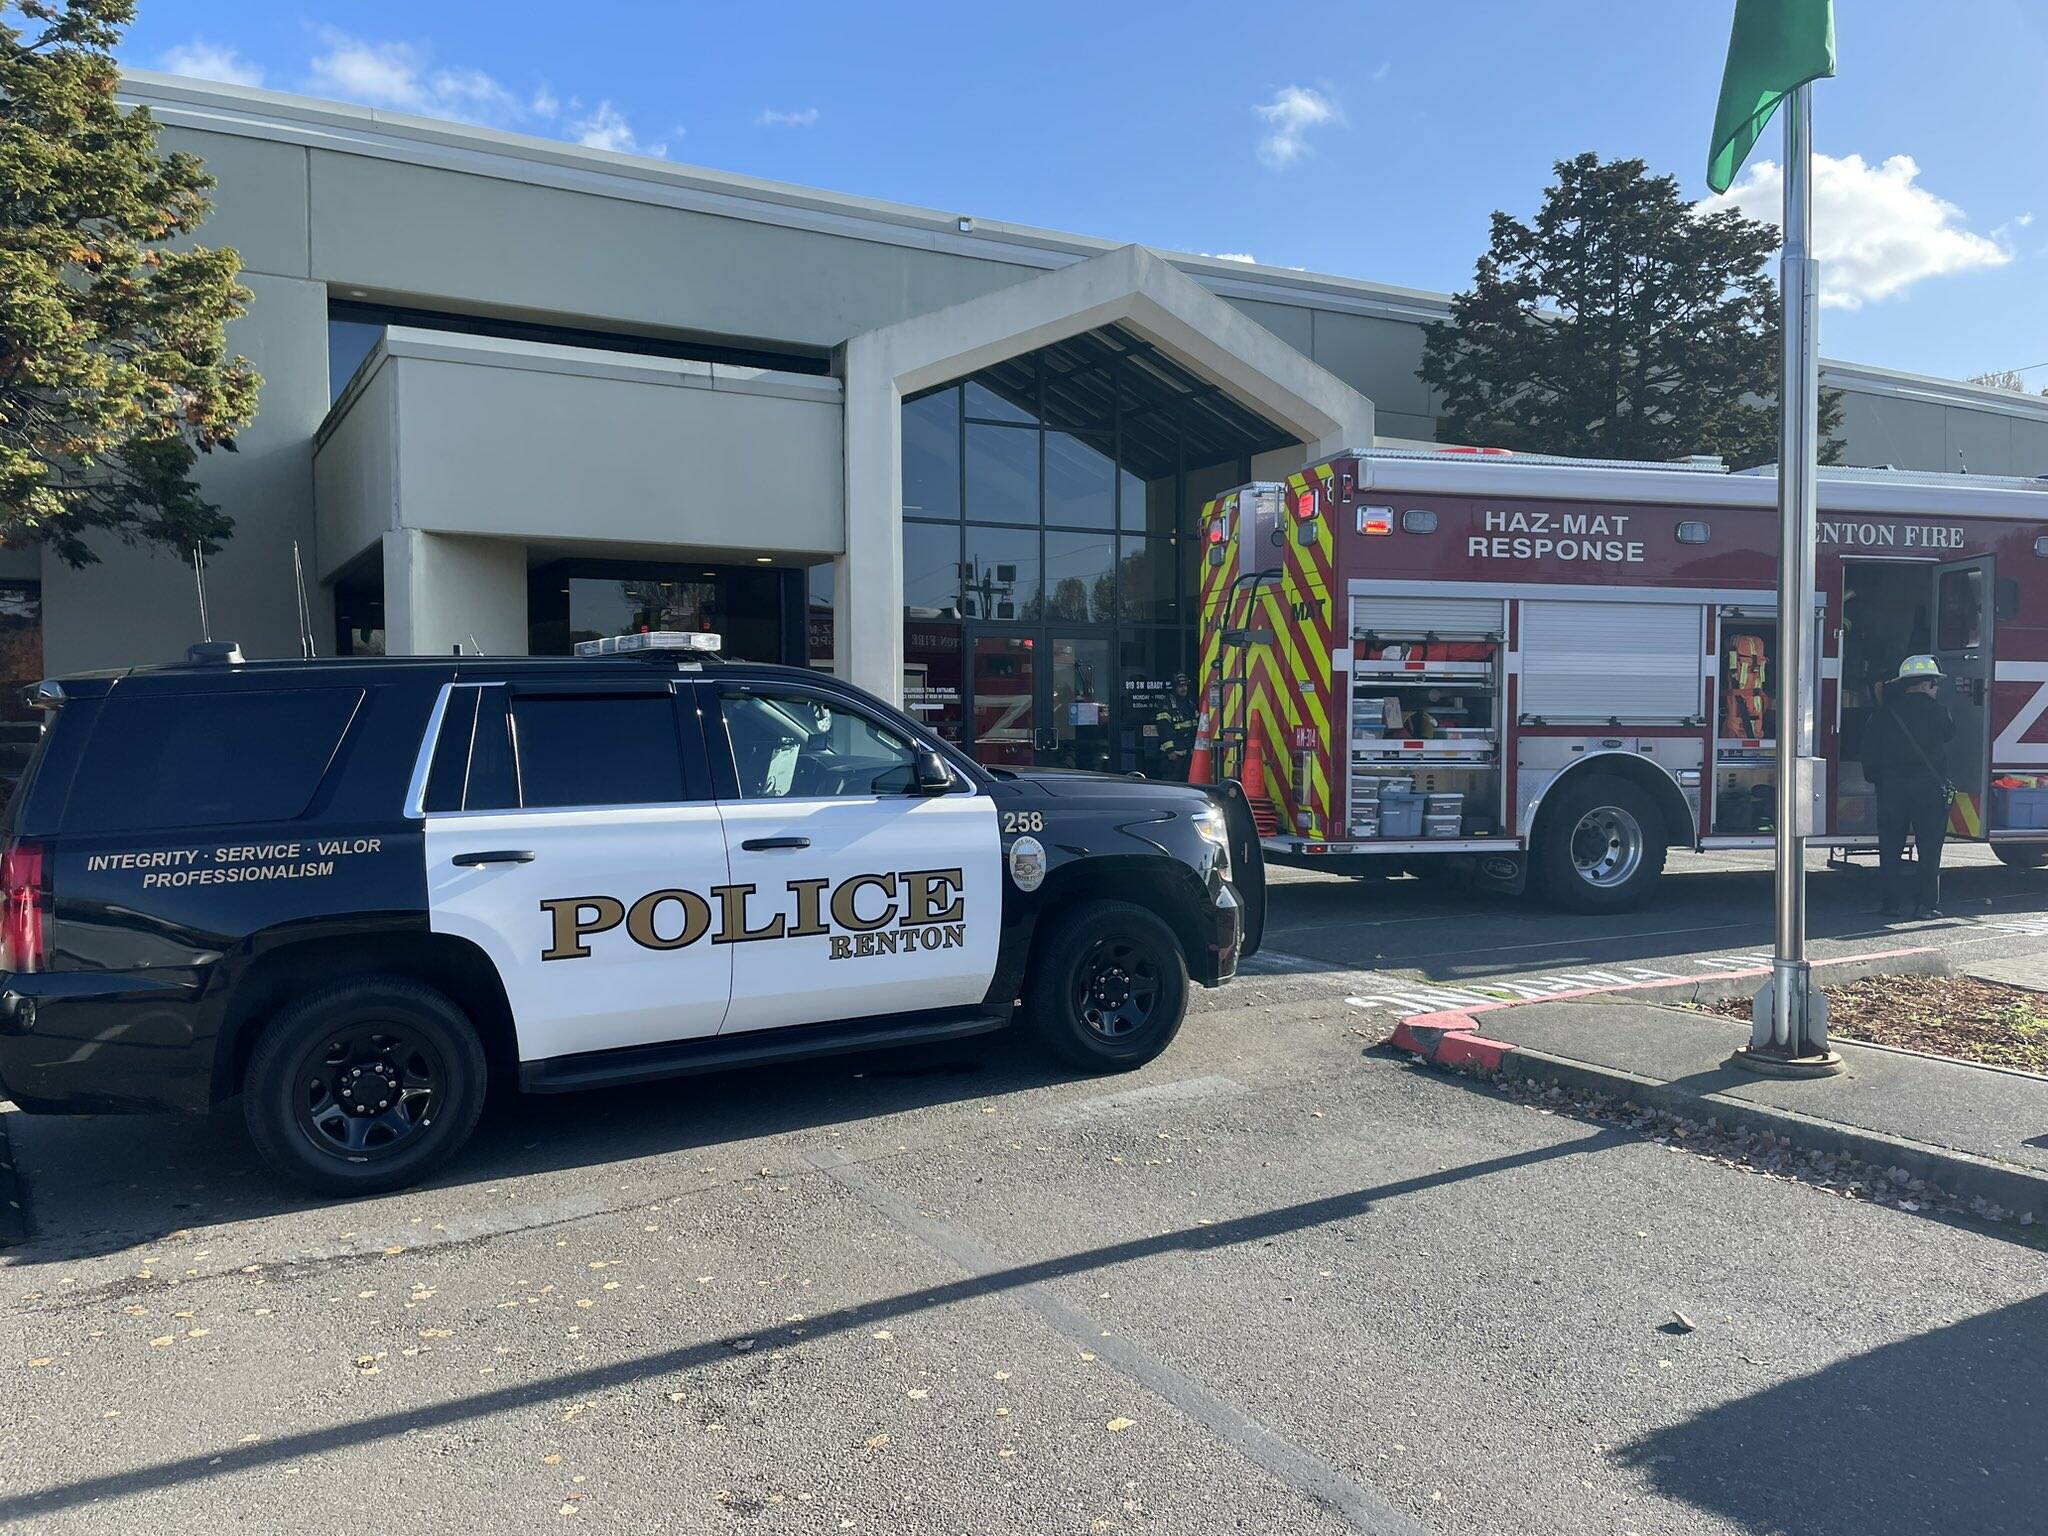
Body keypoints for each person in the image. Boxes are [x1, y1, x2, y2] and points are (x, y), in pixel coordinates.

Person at [1859, 654, 1955, 919]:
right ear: (1926, 685)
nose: (1937, 689)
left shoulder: (1884, 713)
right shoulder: (1938, 712)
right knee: (1929, 848)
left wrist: (1878, 779)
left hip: (1892, 790)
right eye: (1935, 684)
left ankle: (1891, 905)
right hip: (1929, 791)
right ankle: (1926, 905)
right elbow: (1950, 734)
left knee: (1890, 848)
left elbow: (1868, 752)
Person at [1154, 673, 1198, 780]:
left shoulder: (1190, 704)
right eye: (1180, 686)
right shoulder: (1166, 704)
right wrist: (1170, 750)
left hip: (1189, 755)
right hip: (1174, 757)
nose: (1184, 688)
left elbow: (1197, 727)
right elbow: (1164, 729)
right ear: (1174, 687)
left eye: (1185, 685)